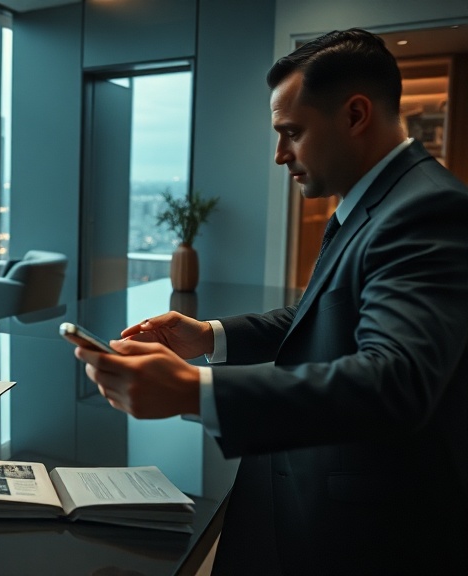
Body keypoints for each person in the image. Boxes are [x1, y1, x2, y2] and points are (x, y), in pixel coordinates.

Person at [73, 29, 468, 574]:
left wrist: (194, 389)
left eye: (292, 133)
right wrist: (209, 336)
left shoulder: (428, 212)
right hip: (297, 497)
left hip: (358, 534)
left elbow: (395, 381)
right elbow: (320, 314)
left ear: (355, 115)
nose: (280, 154)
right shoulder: (375, 202)